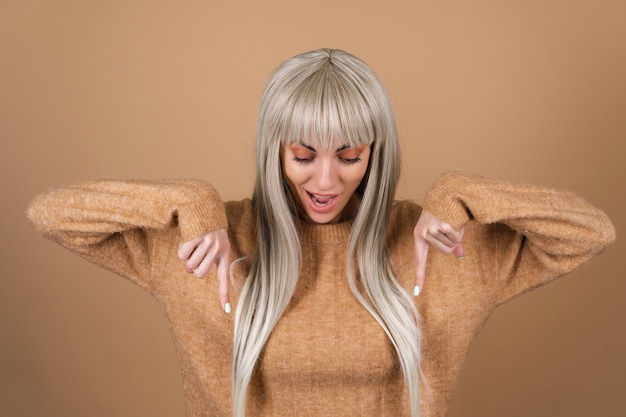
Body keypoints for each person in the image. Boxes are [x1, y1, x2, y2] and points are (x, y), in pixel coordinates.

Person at [27, 48, 615, 417]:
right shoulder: (208, 245)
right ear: (272, 151)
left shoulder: (436, 245)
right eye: (304, 155)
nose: (327, 180)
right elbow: (50, 214)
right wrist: (190, 199)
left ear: (376, 156)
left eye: (350, 156)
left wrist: (461, 191)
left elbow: (591, 232)